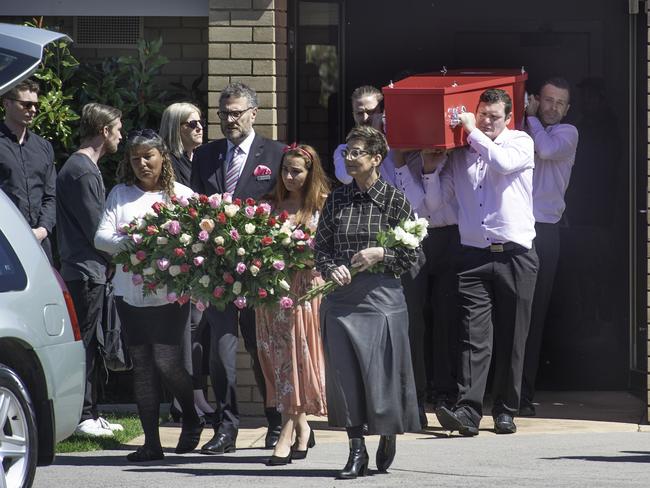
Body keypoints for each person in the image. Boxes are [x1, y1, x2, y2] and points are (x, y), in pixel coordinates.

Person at [315, 125, 421, 479]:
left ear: (377, 158)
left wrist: (381, 253)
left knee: (381, 376)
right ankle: (355, 450)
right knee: (345, 377)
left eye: (357, 152)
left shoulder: (394, 199)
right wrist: (331, 270)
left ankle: (387, 430)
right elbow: (322, 248)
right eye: (347, 151)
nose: (349, 157)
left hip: (381, 298)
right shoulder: (337, 199)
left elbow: (412, 255)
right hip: (342, 301)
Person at [431, 89, 538, 436]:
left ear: (508, 118)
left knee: (512, 335)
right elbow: (437, 202)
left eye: (494, 116)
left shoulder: (520, 142)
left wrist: (471, 132)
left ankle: (506, 410)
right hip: (473, 254)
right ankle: (468, 411)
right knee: (473, 336)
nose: (487, 121)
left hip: (515, 255)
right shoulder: (463, 153)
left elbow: (502, 164)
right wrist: (431, 168)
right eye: (482, 115)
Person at [95, 130, 203, 461]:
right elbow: (101, 237)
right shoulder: (120, 194)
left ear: (162, 158)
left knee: (167, 363)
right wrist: (134, 245)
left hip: (171, 296)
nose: (142, 163)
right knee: (142, 364)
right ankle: (152, 444)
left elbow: (200, 240)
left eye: (148, 156)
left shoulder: (181, 196)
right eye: (135, 158)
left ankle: (192, 418)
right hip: (130, 294)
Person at [191, 82, 284, 454]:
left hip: (258, 271)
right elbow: (196, 206)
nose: (229, 120)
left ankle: (276, 422)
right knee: (221, 350)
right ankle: (226, 428)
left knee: (262, 347)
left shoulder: (276, 154)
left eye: (235, 113)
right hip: (217, 271)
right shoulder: (206, 155)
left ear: (253, 114)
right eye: (223, 113)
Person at [256, 143, 330, 466]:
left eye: (296, 171)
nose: (288, 177)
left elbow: (329, 251)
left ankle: (285, 434)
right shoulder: (270, 204)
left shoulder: (322, 206)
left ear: (310, 173)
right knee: (277, 361)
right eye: (285, 170)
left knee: (296, 361)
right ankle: (302, 428)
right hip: (272, 294)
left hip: (303, 292)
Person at [56, 103, 124, 437]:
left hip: (89, 270)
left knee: (93, 342)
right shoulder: (82, 170)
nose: (121, 135)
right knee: (84, 343)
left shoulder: (83, 168)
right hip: (85, 271)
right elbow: (97, 230)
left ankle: (90, 411)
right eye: (118, 128)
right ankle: (81, 415)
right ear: (103, 130)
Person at [520, 78, 579, 416]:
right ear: (537, 100)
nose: (553, 107)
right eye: (547, 100)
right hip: (515, 229)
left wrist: (529, 118)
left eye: (560, 102)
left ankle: (523, 395)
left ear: (567, 109)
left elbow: (545, 150)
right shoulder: (521, 129)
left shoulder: (567, 133)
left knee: (535, 314)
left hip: (545, 230)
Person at [390, 148, 461, 412]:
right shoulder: (397, 157)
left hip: (449, 237)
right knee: (414, 319)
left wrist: (430, 169)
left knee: (447, 317)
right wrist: (400, 163)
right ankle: (415, 398)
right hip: (413, 239)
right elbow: (412, 204)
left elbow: (432, 204)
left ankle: (445, 393)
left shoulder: (453, 156)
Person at [159, 102, 215, 422]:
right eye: (190, 123)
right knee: (187, 327)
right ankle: (183, 399)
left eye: (200, 122)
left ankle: (197, 394)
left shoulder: (200, 160)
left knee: (200, 328)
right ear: (175, 128)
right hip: (180, 257)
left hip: (202, 254)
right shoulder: (170, 163)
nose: (199, 128)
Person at [0, 79, 56, 263]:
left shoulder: (44, 147)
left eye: (36, 105)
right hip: (5, 243)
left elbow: (51, 195)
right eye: (26, 104)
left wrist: (42, 230)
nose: (33, 110)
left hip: (40, 243)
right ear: (7, 103)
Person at [332, 85, 386, 185]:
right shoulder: (343, 150)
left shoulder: (396, 146)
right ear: (353, 115)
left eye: (371, 112)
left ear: (382, 112)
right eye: (360, 113)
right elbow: (346, 178)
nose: (365, 118)